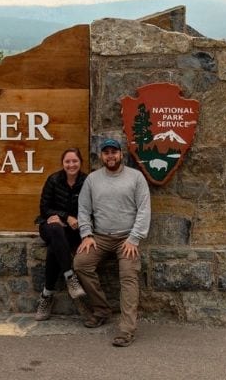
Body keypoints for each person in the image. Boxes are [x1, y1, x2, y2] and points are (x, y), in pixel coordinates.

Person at [73, 137, 151, 347]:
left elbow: (144, 210)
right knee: (81, 264)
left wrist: (134, 238)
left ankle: (126, 330)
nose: (110, 156)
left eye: (113, 152)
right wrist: (87, 234)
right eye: (106, 152)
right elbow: (83, 209)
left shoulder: (135, 177)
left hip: (127, 238)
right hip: (100, 236)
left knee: (128, 276)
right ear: (101, 156)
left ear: (121, 154)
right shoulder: (92, 179)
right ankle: (101, 309)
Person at [33, 147, 88, 321]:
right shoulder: (53, 180)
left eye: (74, 161)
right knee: (56, 229)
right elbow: (44, 209)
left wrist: (75, 220)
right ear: (62, 163)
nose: (71, 165)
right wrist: (64, 216)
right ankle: (70, 277)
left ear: (80, 162)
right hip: (49, 226)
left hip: (73, 230)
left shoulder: (87, 181)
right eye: (67, 161)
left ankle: (46, 294)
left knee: (54, 249)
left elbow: (91, 208)